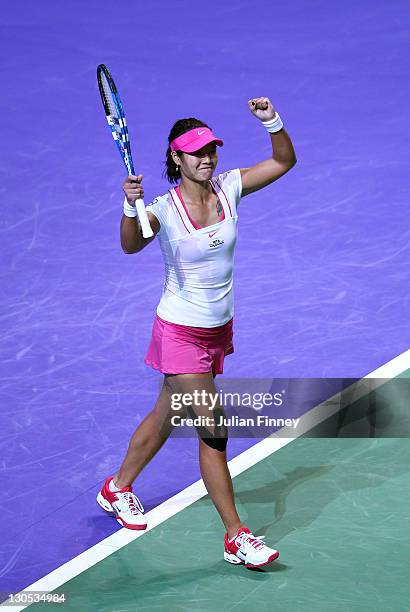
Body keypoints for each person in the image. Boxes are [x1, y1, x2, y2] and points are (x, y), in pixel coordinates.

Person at [97, 97, 296, 568]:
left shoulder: (229, 187)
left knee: (168, 412)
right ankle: (236, 536)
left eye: (211, 150)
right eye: (195, 152)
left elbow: (283, 160)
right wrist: (130, 208)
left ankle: (117, 487)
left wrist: (271, 120)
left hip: (216, 329)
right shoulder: (162, 210)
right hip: (181, 332)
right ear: (176, 158)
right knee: (213, 428)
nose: (206, 159)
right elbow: (130, 246)